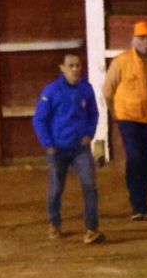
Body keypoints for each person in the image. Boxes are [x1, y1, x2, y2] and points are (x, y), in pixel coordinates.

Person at [33, 52, 101, 244]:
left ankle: (92, 228)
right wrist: (48, 144)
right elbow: (40, 119)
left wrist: (89, 133)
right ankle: (54, 224)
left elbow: (93, 113)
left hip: (80, 147)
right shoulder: (51, 91)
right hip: (58, 148)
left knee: (89, 185)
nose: (75, 69)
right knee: (56, 188)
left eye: (78, 65)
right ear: (61, 68)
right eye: (70, 65)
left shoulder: (86, 88)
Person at [103, 20, 147, 221]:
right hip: (127, 117)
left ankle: (142, 203)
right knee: (136, 157)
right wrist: (116, 114)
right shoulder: (121, 61)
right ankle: (137, 204)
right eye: (141, 38)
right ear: (133, 40)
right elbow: (107, 91)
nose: (146, 42)